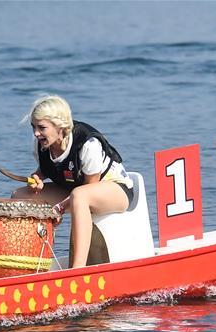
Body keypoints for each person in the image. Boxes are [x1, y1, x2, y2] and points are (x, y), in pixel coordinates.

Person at [11, 95, 134, 268]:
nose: (36, 133)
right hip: (75, 190)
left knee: (79, 196)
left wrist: (60, 208)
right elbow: (46, 168)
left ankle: (77, 270)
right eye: (33, 127)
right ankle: (25, 264)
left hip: (115, 189)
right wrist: (37, 177)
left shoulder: (87, 144)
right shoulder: (40, 144)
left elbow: (90, 188)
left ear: (60, 127)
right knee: (20, 196)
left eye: (42, 128)